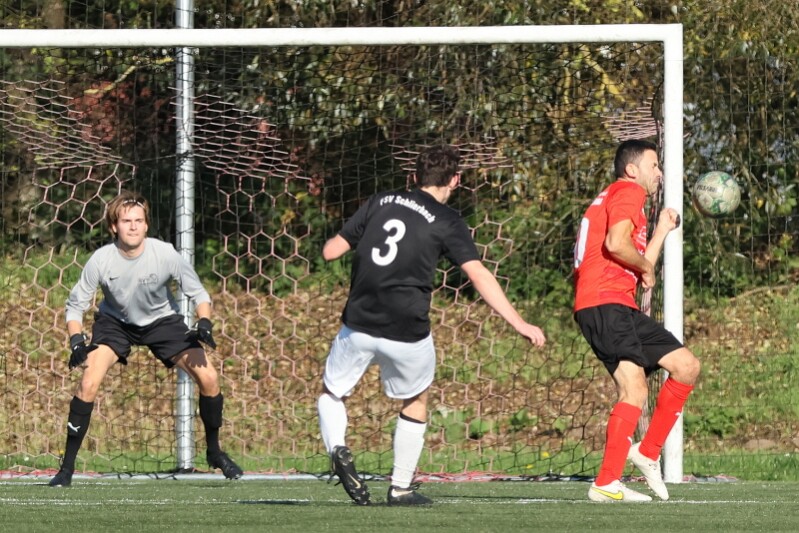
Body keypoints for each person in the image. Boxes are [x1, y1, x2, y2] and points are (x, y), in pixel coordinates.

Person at [317, 144, 547, 506]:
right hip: (407, 328)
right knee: (416, 399)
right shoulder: (448, 220)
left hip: (359, 322)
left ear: (414, 176)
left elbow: (331, 251)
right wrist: (519, 322)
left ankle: (338, 449)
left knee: (332, 393)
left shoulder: (381, 200)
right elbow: (478, 275)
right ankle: (400, 488)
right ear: (455, 180)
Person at [49, 190, 243, 487]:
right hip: (115, 324)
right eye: (126, 221)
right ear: (114, 226)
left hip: (163, 322)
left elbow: (199, 293)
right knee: (87, 383)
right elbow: (75, 306)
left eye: (138, 221)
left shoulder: (164, 253)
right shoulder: (101, 259)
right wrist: (76, 340)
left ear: (146, 225)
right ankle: (66, 469)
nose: (133, 226)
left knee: (210, 378)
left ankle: (215, 452)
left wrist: (204, 321)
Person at [573, 139, 701, 502]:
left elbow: (640, 266)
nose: (659, 172)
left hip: (618, 304)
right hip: (604, 302)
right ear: (632, 169)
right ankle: (606, 483)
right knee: (635, 389)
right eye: (654, 165)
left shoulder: (620, 198)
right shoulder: (628, 191)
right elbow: (616, 245)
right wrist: (645, 267)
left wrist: (660, 231)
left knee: (686, 366)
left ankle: (646, 452)